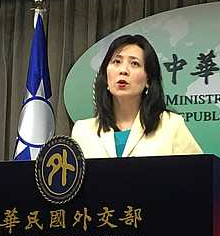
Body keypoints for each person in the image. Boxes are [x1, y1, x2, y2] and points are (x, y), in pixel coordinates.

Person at [71, 34, 203, 158]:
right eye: (116, 62)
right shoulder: (82, 131)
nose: (123, 70)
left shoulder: (171, 124)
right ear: (106, 76)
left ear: (148, 80)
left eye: (134, 63)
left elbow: (199, 174)